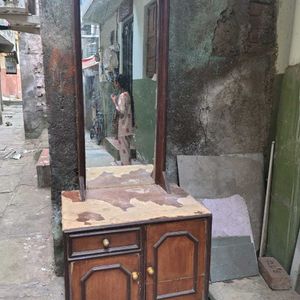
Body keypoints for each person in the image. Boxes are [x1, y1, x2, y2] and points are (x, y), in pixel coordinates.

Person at [111, 75, 133, 165]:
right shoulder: (127, 94)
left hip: (123, 128)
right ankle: (128, 168)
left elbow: (121, 112)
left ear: (119, 83)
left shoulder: (122, 96)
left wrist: (114, 101)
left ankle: (126, 171)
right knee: (127, 151)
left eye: (115, 82)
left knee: (124, 152)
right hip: (128, 126)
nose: (115, 84)